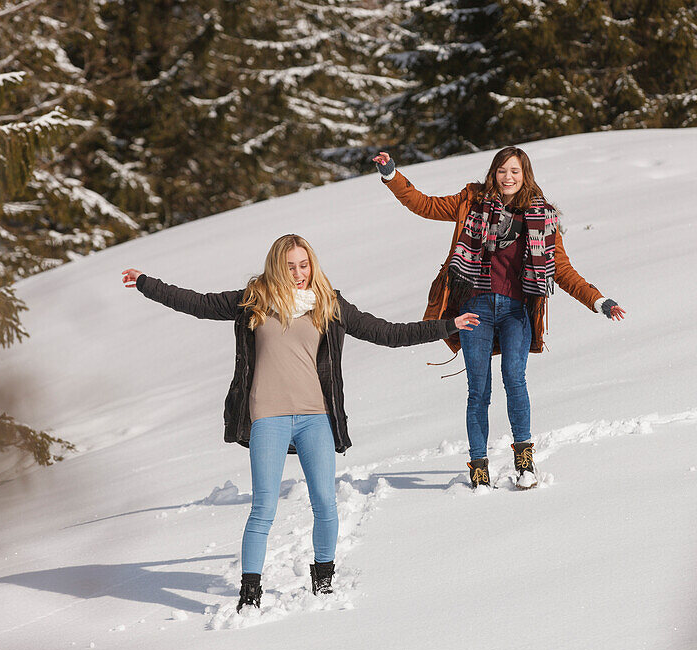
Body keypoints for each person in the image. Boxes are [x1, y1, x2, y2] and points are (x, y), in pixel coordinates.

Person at [122, 234, 478, 612]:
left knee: (325, 502)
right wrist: (147, 283)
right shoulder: (253, 300)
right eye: (290, 266)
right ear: (278, 266)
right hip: (267, 418)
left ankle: (323, 581)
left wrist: (447, 325)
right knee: (263, 508)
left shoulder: (329, 303)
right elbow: (197, 303)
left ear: (313, 264)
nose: (298, 273)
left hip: (315, 419)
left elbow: (387, 333)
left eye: (304, 265)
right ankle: (250, 592)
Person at [371, 147, 626, 490]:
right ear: (493, 172)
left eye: (515, 172)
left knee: (514, 378)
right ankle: (479, 467)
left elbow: (561, 270)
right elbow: (424, 204)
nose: (508, 177)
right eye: (502, 170)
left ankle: (525, 460)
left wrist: (598, 300)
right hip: (474, 310)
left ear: (525, 176)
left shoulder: (542, 217)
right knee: (478, 389)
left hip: (516, 312)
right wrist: (391, 175)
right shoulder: (471, 201)